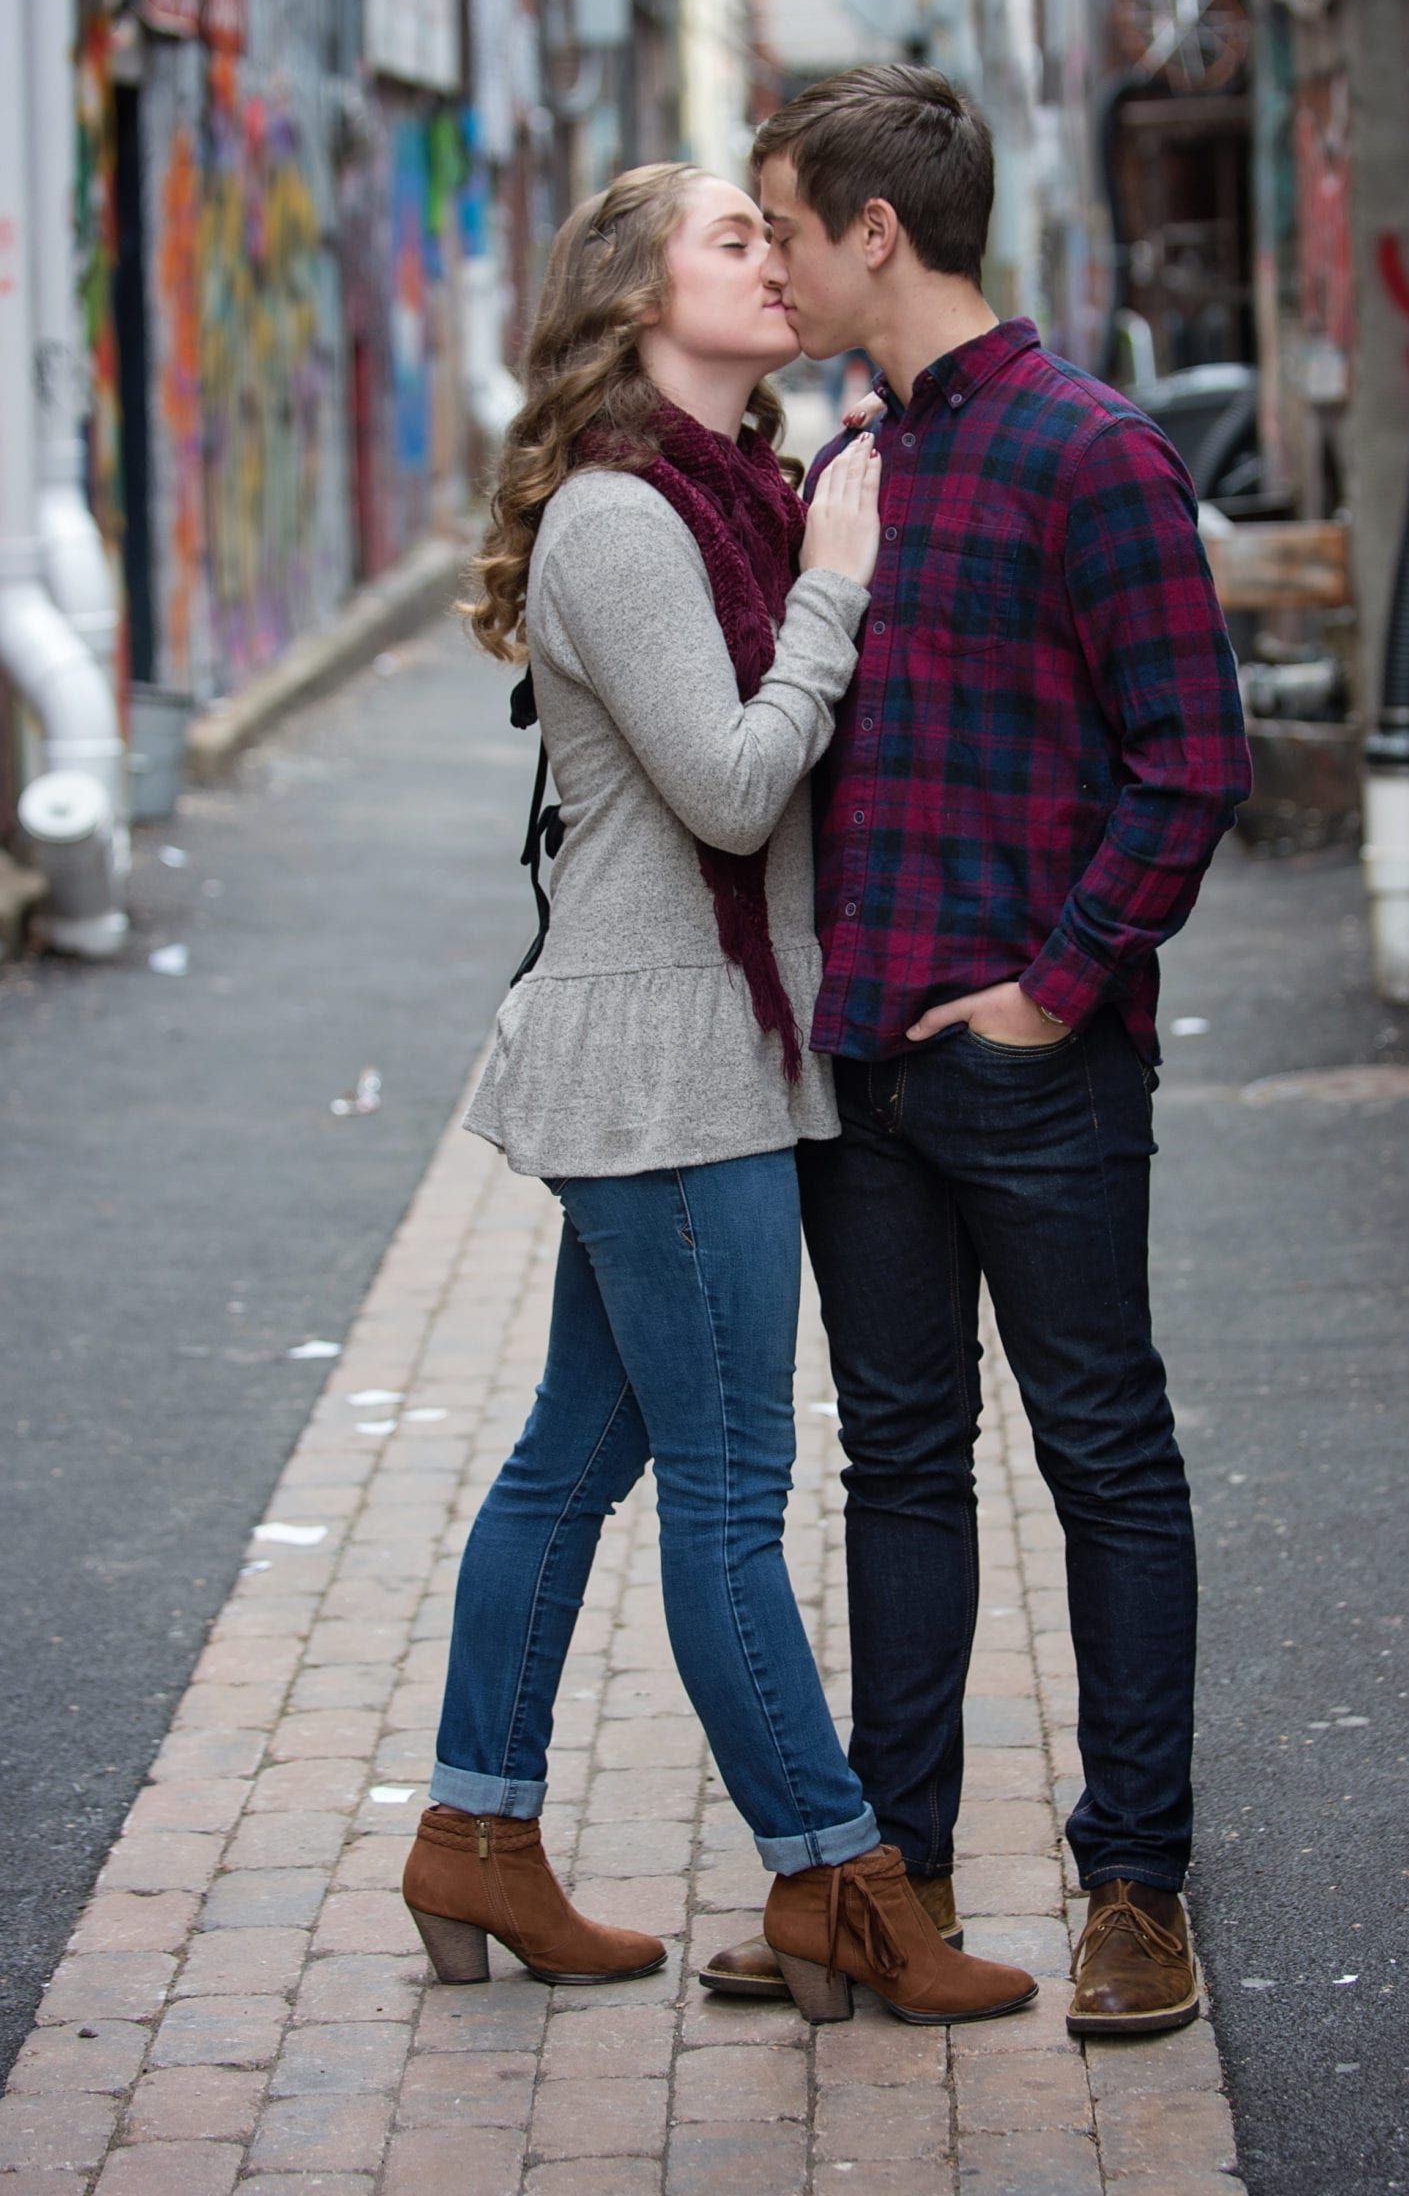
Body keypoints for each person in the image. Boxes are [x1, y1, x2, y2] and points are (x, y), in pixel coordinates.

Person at [400, 159, 1037, 2033]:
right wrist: (834, 592)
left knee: (578, 1455)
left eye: (775, 233)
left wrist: (820, 545)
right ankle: (839, 1879)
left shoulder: (736, 495)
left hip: (694, 1044)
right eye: (732, 235)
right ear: (633, 291)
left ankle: (478, 1833)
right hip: (669, 1063)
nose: (774, 257)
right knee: (731, 1493)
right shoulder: (622, 521)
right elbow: (737, 788)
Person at [696, 66, 1251, 2037]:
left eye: (778, 223)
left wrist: (1051, 986)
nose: (760, 258)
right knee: (900, 1467)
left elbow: (1191, 757)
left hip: (1037, 1067)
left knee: (1103, 1454)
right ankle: (893, 1879)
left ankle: (1133, 1886)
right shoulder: (846, 462)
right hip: (864, 1066)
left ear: (874, 232)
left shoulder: (1087, 452)